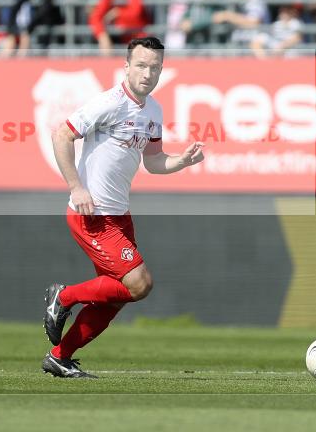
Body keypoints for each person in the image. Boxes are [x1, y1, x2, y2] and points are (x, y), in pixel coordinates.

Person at [42, 36, 205, 378]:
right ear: (126, 66)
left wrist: (183, 162)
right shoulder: (110, 102)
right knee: (140, 284)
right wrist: (76, 186)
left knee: (116, 296)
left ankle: (60, 356)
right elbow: (61, 135)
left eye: (155, 67)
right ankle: (65, 296)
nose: (148, 73)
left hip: (119, 215)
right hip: (92, 214)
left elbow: (154, 161)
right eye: (141, 65)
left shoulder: (154, 110)